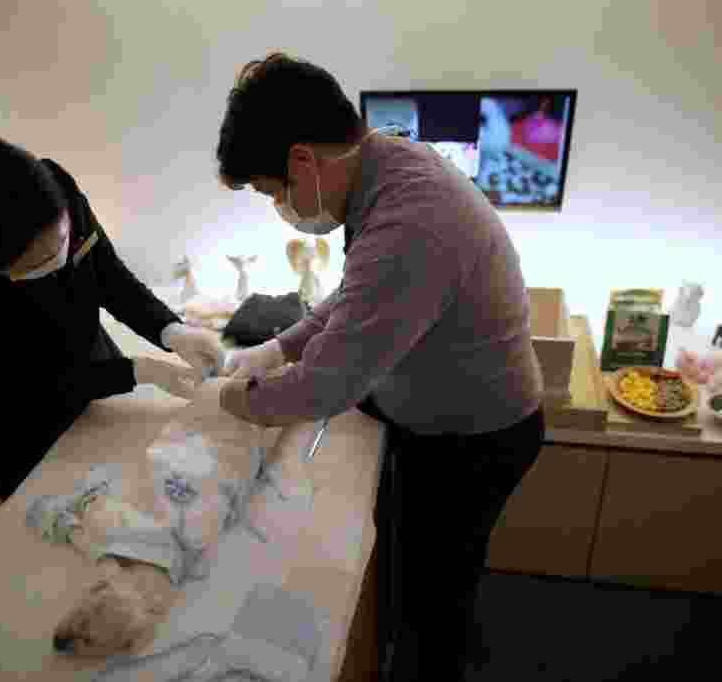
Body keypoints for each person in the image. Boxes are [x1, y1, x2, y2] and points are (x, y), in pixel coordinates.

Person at [207, 53, 546, 680]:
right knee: (413, 561)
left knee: (436, 590)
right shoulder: (381, 165)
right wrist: (280, 348)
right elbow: (357, 293)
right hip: (431, 411)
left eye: (271, 191)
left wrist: (235, 401)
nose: (278, 206)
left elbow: (330, 383)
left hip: (476, 437)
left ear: (302, 161)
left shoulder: (413, 212)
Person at [0, 136, 224, 502]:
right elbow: (31, 384)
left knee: (132, 469)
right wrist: (138, 372)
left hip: (90, 364)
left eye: (62, 240)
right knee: (61, 512)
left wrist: (173, 331)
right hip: (14, 419)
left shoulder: (55, 187)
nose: (59, 259)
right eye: (38, 266)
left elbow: (109, 276)